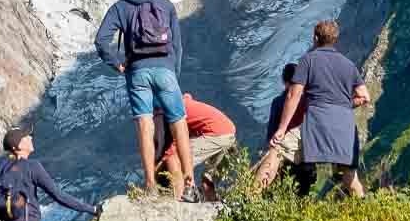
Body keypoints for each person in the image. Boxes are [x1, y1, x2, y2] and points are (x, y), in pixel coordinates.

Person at [94, 0, 197, 199]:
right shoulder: (165, 4)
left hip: (137, 71)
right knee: (179, 121)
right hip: (166, 70)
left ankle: (150, 184)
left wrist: (117, 63)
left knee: (144, 124)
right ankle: (191, 183)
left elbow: (101, 40)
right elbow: (178, 46)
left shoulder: (120, 7)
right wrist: (172, 71)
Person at [266, 20, 370, 198]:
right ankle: (366, 212)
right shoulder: (348, 65)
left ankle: (248, 199)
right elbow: (364, 96)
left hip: (316, 122)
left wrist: (282, 129)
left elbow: (294, 95)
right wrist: (345, 105)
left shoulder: (308, 60)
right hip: (343, 125)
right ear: (335, 39)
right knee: (350, 176)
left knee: (276, 152)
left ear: (315, 38)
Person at [158, 93, 237, 201]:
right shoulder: (186, 104)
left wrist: (156, 172)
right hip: (230, 134)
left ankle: (178, 201)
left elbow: (175, 146)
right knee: (208, 179)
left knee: (175, 158)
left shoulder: (173, 110)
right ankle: (212, 204)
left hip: (217, 133)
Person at [252, 62, 316, 194]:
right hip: (306, 158)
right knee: (302, 192)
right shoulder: (310, 101)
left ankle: (252, 196)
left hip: (283, 155)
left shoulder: (278, 102)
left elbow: (272, 132)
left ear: (285, 81)